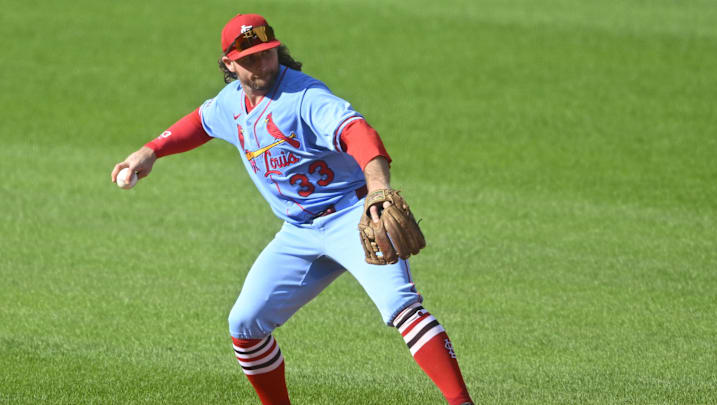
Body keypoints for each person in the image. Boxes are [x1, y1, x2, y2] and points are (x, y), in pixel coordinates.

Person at [111, 13, 474, 405]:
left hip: (352, 217)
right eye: (249, 59)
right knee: (245, 325)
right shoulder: (231, 103)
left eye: (267, 54)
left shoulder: (304, 97)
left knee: (402, 308)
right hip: (299, 232)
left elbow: (358, 132)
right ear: (229, 64)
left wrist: (378, 191)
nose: (262, 65)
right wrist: (151, 151)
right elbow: (199, 122)